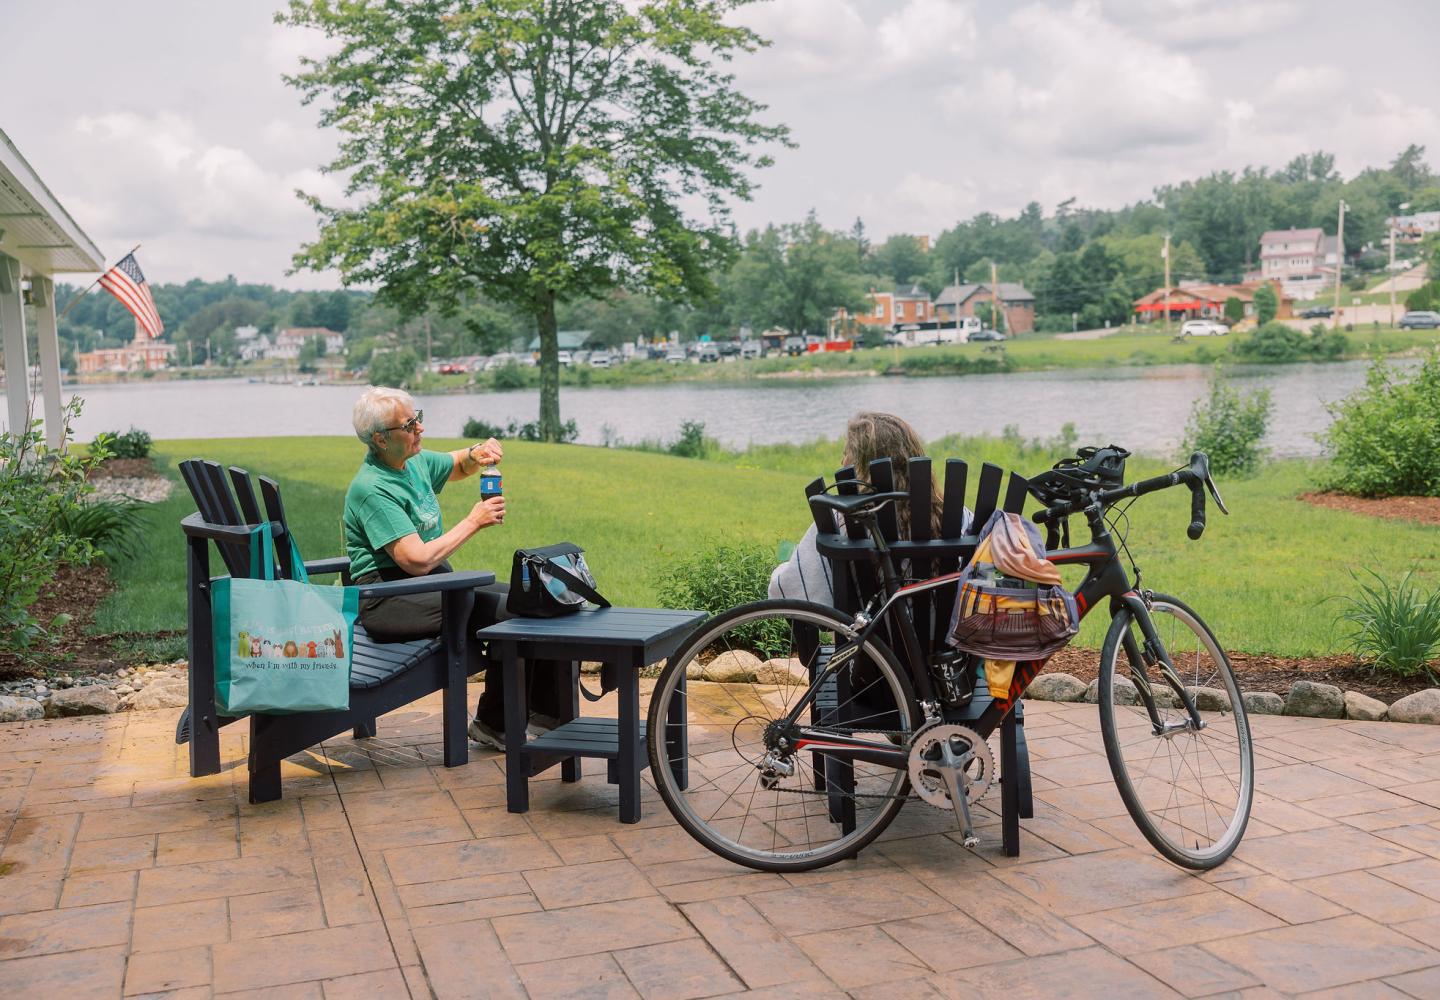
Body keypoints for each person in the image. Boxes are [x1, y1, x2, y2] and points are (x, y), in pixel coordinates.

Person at [343, 386, 563, 750]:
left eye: (418, 418)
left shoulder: (411, 463)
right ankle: (494, 723)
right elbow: (415, 560)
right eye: (410, 424)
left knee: (535, 598)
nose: (420, 429)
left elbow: (458, 463)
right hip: (390, 597)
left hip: (430, 587)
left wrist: (478, 454)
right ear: (380, 439)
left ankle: (547, 714)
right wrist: (474, 521)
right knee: (515, 612)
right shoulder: (372, 488)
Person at [769, 411, 972, 604]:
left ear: (860, 464)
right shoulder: (955, 515)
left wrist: (779, 571)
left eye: (846, 453)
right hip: (952, 637)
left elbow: (791, 589)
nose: (841, 461)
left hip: (872, 637)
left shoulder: (843, 519)